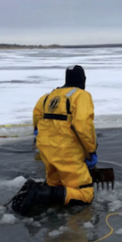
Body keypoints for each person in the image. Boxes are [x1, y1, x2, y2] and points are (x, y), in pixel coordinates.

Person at [13, 65, 97, 216]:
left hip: (47, 150)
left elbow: (36, 120)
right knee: (85, 194)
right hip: (67, 152)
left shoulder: (48, 96)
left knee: (55, 183)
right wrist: (91, 150)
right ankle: (38, 192)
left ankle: (44, 192)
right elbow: (82, 126)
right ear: (83, 79)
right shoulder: (81, 95)